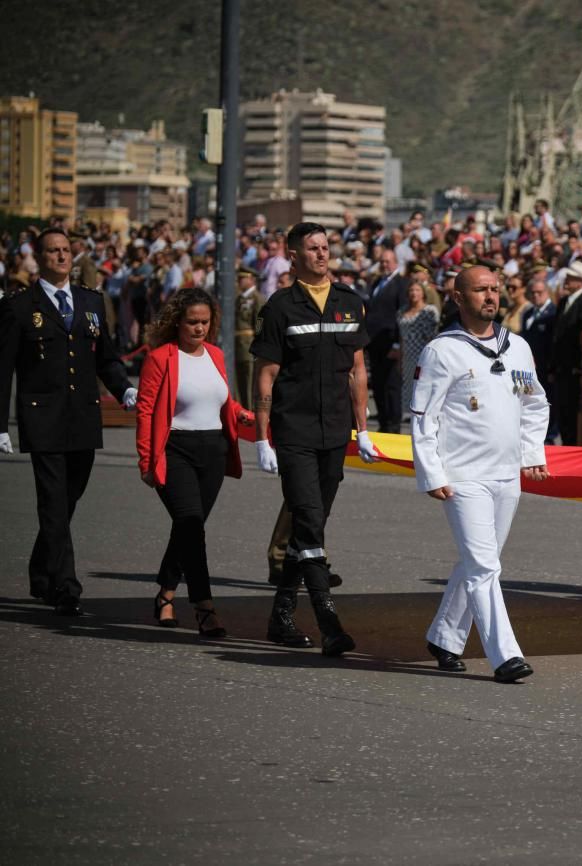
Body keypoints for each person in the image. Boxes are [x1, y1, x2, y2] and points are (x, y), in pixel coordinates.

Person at [410, 266, 549, 683]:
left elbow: (533, 403)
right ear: (457, 297)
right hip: (463, 474)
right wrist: (431, 472)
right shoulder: (441, 351)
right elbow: (422, 416)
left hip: (507, 473)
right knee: (485, 565)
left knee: (478, 561)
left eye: (495, 289)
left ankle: (445, 636)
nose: (490, 297)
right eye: (480, 290)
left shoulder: (519, 347)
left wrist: (531, 453)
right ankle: (505, 655)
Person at [252, 222, 380, 656]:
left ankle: (281, 618)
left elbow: (357, 370)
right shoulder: (281, 307)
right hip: (294, 432)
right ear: (293, 255)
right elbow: (265, 375)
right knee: (309, 522)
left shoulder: (349, 302)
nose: (322, 254)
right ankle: (330, 624)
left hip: (334, 433)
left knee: (312, 525)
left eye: (326, 247)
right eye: (312, 248)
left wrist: (363, 429)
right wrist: (261, 437)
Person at [0, 228, 138, 615]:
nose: (61, 257)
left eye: (65, 251)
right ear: (39, 257)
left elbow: (106, 357)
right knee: (53, 503)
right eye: (53, 251)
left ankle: (41, 574)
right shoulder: (19, 306)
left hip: (82, 417)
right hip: (42, 418)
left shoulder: (91, 301)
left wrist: (124, 389)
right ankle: (65, 586)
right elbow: (3, 369)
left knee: (68, 501)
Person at [135, 288, 253, 638]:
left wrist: (241, 413)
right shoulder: (160, 357)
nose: (199, 328)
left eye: (205, 322)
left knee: (189, 526)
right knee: (191, 525)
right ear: (177, 322)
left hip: (213, 450)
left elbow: (220, 399)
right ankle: (204, 606)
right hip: (176, 450)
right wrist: (146, 460)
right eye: (192, 322)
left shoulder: (216, 355)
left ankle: (165, 595)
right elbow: (145, 410)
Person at [548, 261, 582, 445]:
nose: (566, 281)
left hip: (575, 371)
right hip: (562, 370)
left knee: (575, 418)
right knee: (563, 415)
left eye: (570, 278)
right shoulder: (563, 302)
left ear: (580, 281)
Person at [364, 249, 407, 434]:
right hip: (375, 343)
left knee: (391, 385)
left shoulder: (401, 284)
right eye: (382, 261)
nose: (384, 264)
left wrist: (398, 344)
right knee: (379, 384)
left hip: (390, 342)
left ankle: (393, 425)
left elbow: (402, 314)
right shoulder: (377, 282)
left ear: (396, 262)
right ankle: (383, 422)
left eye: (388, 261)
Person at [398, 276, 441, 416]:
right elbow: (401, 337)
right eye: (411, 290)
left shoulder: (430, 311)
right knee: (409, 388)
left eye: (417, 290)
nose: (414, 293)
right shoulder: (401, 311)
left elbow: (432, 336)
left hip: (424, 354)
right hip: (407, 356)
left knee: (424, 388)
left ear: (423, 292)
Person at [232, 264, 263, 407]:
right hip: (237, 344)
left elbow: (260, 322)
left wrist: (257, 343)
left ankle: (250, 409)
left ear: (251, 279)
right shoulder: (239, 299)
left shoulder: (257, 299)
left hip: (248, 344)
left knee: (249, 378)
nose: (239, 281)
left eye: (242, 278)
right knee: (238, 380)